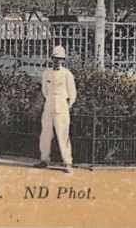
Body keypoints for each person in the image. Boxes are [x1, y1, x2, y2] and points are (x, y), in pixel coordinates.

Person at [34, 45, 77, 174]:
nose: (57, 61)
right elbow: (44, 91)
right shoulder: (46, 73)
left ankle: (67, 162)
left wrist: (66, 105)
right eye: (55, 58)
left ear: (63, 60)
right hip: (49, 106)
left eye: (60, 59)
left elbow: (72, 93)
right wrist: (51, 101)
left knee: (63, 135)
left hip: (62, 108)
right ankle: (44, 159)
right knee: (45, 134)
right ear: (51, 58)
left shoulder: (67, 74)